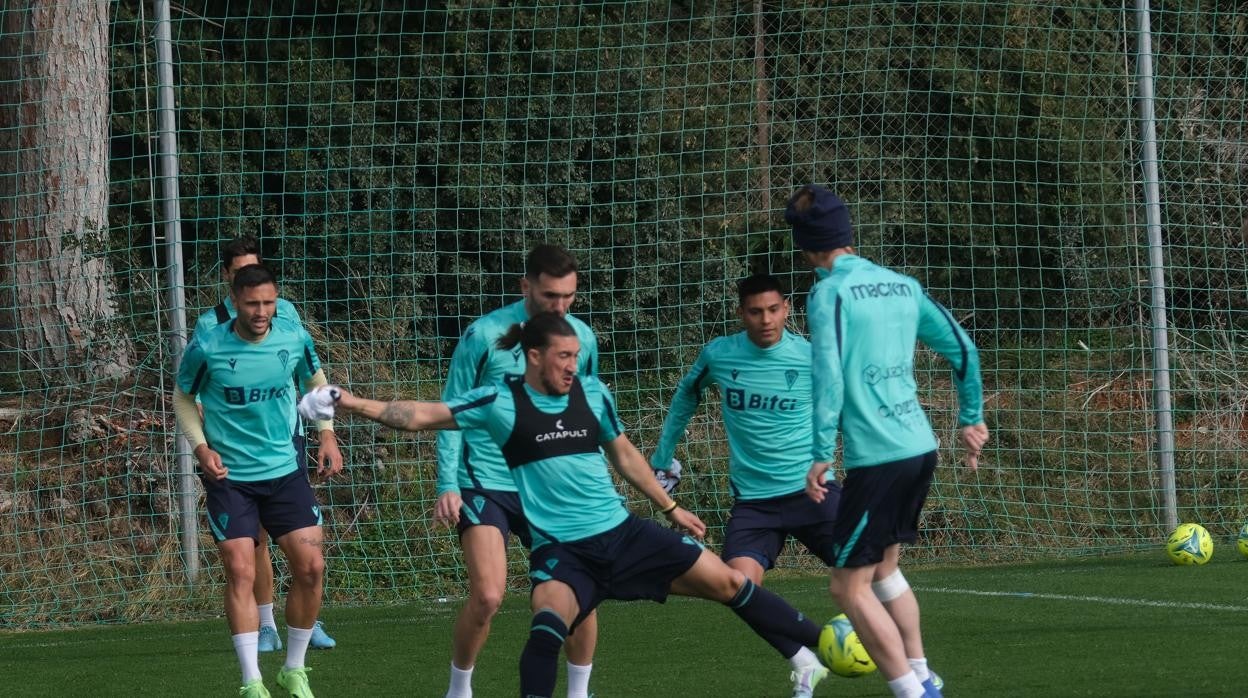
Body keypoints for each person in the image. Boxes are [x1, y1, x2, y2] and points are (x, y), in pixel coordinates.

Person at [300, 312, 836, 698]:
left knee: (731, 583)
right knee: (547, 625)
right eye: (563, 357)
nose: (572, 366)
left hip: (624, 535)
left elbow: (624, 455)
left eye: (576, 357)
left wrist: (669, 507)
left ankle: (827, 643)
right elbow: (418, 415)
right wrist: (348, 401)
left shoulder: (593, 393)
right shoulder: (499, 401)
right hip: (563, 552)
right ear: (534, 356)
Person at [786, 184, 990, 698]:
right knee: (884, 570)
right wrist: (970, 417)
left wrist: (820, 452)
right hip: (920, 449)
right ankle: (922, 674)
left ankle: (912, 693)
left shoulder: (828, 293)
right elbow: (964, 349)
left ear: (805, 247)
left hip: (878, 459)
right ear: (848, 232)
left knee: (845, 587)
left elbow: (828, 374)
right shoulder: (902, 285)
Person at [433, 244, 599, 698]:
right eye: (550, 296)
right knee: (488, 595)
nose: (560, 307)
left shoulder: (582, 339)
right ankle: (459, 690)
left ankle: (578, 693)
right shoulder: (485, 335)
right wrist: (447, 483)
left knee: (578, 594)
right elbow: (450, 410)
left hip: (550, 484)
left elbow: (589, 410)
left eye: (568, 296)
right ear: (526, 287)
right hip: (485, 480)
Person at [175, 264, 344, 698]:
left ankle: (293, 670)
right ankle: (252, 681)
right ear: (235, 301)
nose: (262, 311)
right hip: (230, 479)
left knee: (311, 567)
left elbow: (315, 381)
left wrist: (327, 433)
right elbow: (183, 397)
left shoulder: (293, 336)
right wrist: (201, 449)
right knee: (240, 568)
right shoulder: (208, 345)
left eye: (269, 302)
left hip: (285, 473)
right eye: (252, 303)